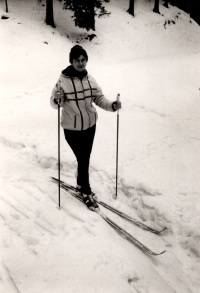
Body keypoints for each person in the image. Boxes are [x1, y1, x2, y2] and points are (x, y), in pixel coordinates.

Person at [50, 45, 121, 211]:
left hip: (90, 126)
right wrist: (57, 99)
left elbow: (99, 98)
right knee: (83, 159)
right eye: (77, 60)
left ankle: (81, 183)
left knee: (84, 158)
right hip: (71, 129)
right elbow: (54, 103)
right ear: (71, 61)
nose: (80, 63)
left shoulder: (90, 79)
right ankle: (86, 191)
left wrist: (112, 105)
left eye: (83, 60)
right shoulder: (63, 81)